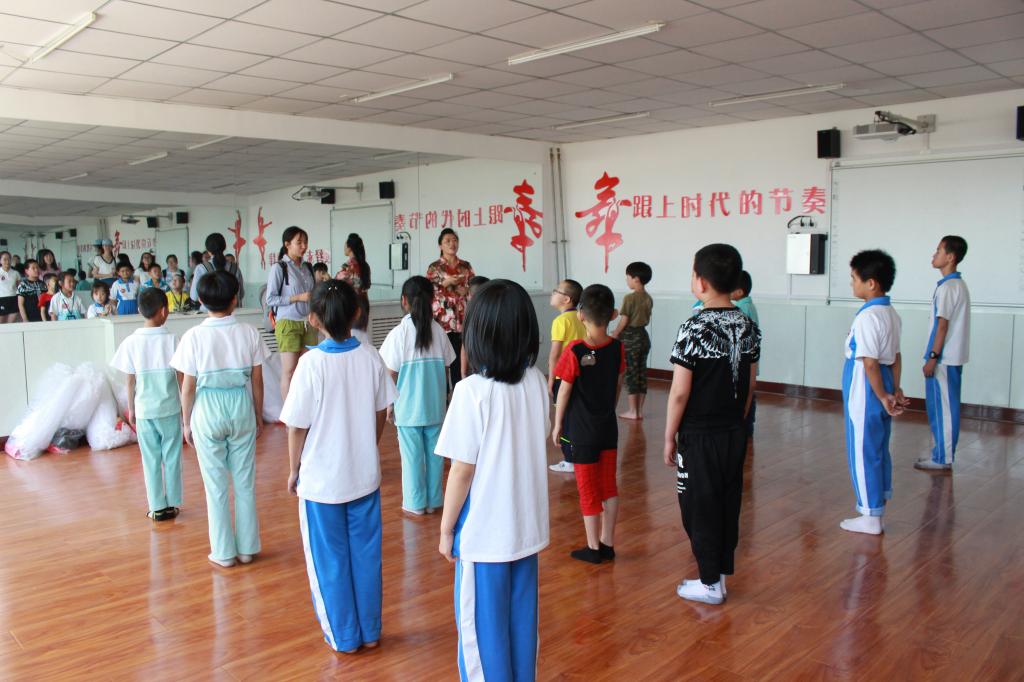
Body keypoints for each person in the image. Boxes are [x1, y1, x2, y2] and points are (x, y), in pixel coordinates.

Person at [435, 279, 549, 681]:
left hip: (484, 538)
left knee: (483, 639)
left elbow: (461, 471)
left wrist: (446, 529)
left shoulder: (471, 392)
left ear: (477, 334)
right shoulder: (537, 382)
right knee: (521, 630)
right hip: (526, 532)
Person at [280, 279, 397, 654]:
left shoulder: (310, 364)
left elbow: (296, 427)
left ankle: (344, 637)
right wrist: (366, 447)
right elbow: (381, 412)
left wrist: (294, 470)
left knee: (329, 560)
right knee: (366, 556)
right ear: (357, 313)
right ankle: (370, 631)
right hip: (363, 476)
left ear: (313, 320)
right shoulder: (370, 356)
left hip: (322, 483)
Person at [663, 244, 761, 605]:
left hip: (699, 435)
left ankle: (708, 584)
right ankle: (716, 577)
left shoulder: (693, 327)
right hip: (733, 431)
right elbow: (750, 384)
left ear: (701, 282)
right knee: (725, 502)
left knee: (698, 506)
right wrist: (738, 421)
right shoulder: (748, 326)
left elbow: (679, 392)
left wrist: (669, 436)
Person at [172, 269, 268, 568]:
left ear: (201, 301)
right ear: (235, 299)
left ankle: (224, 552)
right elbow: (257, 381)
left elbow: (188, 387)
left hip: (207, 407)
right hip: (240, 404)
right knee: (244, 482)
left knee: (215, 485)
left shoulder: (193, 336)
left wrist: (186, 422)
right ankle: (247, 549)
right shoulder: (249, 332)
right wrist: (258, 415)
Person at [552, 284, 624, 564]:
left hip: (582, 431)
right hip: (607, 428)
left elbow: (564, 391)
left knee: (587, 488)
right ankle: (608, 543)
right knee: (609, 487)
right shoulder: (617, 348)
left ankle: (593, 548)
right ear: (614, 314)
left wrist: (557, 423)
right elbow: (618, 384)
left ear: (580, 314)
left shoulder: (575, 349)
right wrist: (609, 408)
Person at [841, 249, 906, 536]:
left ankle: (869, 514)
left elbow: (869, 363)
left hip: (867, 389)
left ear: (871, 283)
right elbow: (896, 357)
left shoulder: (868, 317)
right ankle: (877, 506)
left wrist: (880, 395)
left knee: (862, 449)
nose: (852, 283)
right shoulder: (891, 314)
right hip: (884, 383)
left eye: (854, 278)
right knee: (878, 448)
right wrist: (894, 389)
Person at [380, 276, 455, 516]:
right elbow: (446, 368)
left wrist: (389, 405)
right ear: (432, 300)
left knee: (412, 459)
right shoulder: (439, 332)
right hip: (435, 408)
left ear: (404, 300)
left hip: (408, 410)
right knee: (435, 457)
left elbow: (390, 374)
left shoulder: (399, 333)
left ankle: (415, 504)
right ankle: (434, 501)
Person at [111, 287, 183, 522]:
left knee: (150, 458)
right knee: (172, 456)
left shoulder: (131, 342)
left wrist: (131, 408)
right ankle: (172, 503)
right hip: (170, 409)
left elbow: (130, 380)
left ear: (140, 310)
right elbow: (181, 377)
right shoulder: (172, 340)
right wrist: (186, 407)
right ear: (164, 311)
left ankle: (157, 507)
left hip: (144, 410)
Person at [918, 236, 971, 473]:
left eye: (938, 250)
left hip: (944, 359)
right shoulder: (954, 285)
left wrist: (932, 357)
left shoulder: (949, 288)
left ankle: (943, 458)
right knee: (941, 408)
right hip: (947, 358)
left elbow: (942, 326)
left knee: (945, 410)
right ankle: (940, 454)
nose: (934, 254)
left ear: (950, 257)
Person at [265, 226, 316, 400]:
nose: (304, 246)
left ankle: (304, 407)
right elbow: (270, 299)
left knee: (306, 370)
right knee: (289, 371)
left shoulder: (307, 267)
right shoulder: (279, 268)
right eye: (299, 242)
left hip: (308, 323)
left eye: (305, 242)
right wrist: (297, 298)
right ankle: (289, 413)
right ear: (287, 244)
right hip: (288, 322)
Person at [426, 228, 474, 387]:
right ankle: (444, 393)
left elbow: (475, 287)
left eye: (454, 240)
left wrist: (467, 290)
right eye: (447, 241)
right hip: (442, 321)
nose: (452, 244)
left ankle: (459, 392)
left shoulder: (465, 266)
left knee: (460, 359)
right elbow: (427, 291)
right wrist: (444, 284)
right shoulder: (434, 267)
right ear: (440, 246)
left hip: (462, 319)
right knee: (443, 358)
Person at [547, 279, 585, 474]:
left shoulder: (560, 321)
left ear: (566, 299)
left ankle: (569, 459)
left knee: (564, 417)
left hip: (563, 377)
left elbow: (554, 355)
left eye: (556, 291)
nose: (552, 293)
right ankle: (579, 456)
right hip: (581, 375)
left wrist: (550, 379)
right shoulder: (580, 317)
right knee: (576, 415)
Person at [612, 262, 653, 421]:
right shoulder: (648, 298)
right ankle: (639, 411)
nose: (627, 280)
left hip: (630, 339)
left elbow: (624, 320)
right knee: (641, 374)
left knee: (631, 374)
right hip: (643, 337)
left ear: (636, 279)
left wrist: (615, 334)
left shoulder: (630, 298)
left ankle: (632, 411)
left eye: (628, 277)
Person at [191, 234, 245, 311]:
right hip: (232, 312)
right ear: (224, 247)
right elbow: (241, 294)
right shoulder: (235, 268)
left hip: (208, 312)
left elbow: (194, 296)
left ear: (208, 250)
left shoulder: (201, 268)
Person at [458, 275, 490, 379]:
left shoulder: (471, 313)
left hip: (481, 370)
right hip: (481, 370)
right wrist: (463, 372)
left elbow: (464, 345)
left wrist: (463, 373)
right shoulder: (469, 313)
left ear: (470, 296)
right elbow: (464, 345)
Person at [0, 251, 20, 323]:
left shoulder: (16, 273)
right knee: (1, 324)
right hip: (1, 300)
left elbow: (19, 288)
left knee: (11, 324)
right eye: (5, 259)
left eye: (9, 259)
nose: (7, 261)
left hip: (13, 299)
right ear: (0, 261)